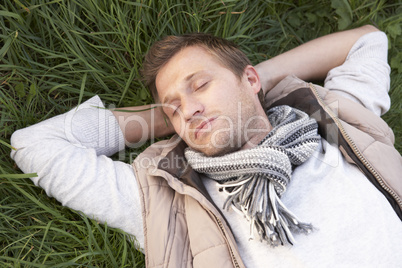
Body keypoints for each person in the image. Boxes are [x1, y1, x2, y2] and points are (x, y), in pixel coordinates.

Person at [10, 25, 402, 267]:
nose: (191, 108)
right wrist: (169, 117)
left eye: (200, 84)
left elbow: (366, 40)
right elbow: (38, 143)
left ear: (249, 79)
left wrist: (254, 81)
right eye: (175, 107)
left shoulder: (331, 122)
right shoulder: (167, 201)